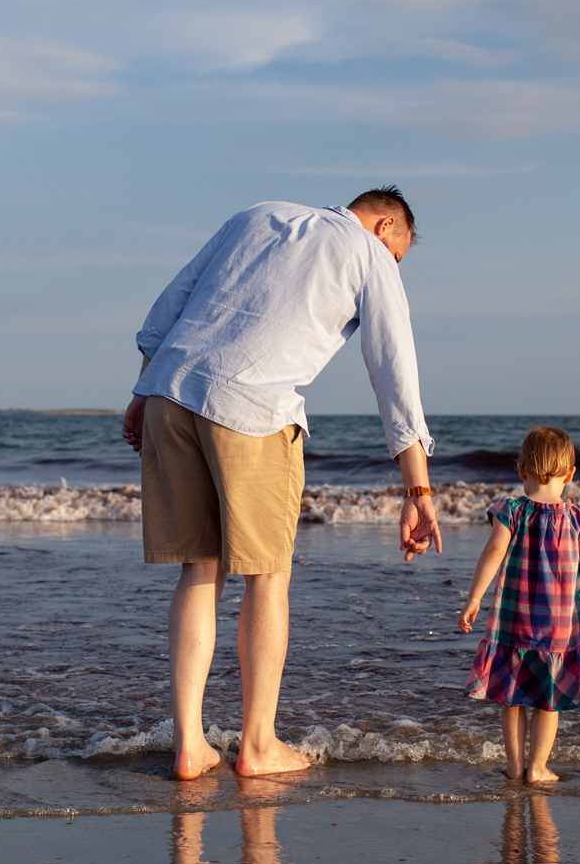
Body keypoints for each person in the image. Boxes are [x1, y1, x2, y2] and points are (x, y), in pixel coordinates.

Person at [122, 189, 443, 780]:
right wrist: (417, 493)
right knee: (268, 577)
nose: (394, 266)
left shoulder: (256, 214)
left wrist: (142, 394)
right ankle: (260, 745)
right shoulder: (369, 255)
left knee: (200, 567)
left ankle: (190, 746)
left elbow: (168, 307)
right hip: (251, 406)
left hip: (171, 391)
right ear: (385, 224)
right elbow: (394, 370)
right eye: (398, 253)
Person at [456, 425, 580, 785]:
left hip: (513, 621)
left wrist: (474, 598)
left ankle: (514, 767)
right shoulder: (578, 518)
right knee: (550, 700)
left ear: (521, 470)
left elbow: (493, 553)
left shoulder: (511, 511)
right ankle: (538, 769)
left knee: (511, 697)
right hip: (558, 628)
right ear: (571, 474)